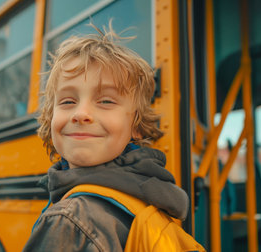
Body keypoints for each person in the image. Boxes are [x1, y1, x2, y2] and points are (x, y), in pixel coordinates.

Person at [23, 23, 190, 251]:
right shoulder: (150, 201)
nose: (81, 114)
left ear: (136, 125)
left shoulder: (69, 221)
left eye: (106, 101)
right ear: (51, 118)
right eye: (68, 101)